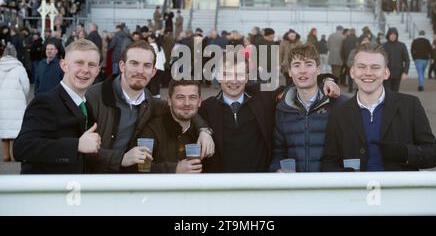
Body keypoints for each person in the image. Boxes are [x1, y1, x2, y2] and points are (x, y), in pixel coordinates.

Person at [199, 50, 340, 173]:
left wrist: (326, 79)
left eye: (240, 74)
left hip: (260, 184)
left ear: (247, 77)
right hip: (222, 186)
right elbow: (186, 116)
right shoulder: (207, 107)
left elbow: (299, 82)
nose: (234, 80)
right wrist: (203, 129)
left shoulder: (263, 97)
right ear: (217, 76)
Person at [85, 40, 214, 173]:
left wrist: (204, 130)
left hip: (127, 180)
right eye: (134, 63)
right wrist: (121, 158)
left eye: (146, 66)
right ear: (122, 66)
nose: (140, 71)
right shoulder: (93, 97)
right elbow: (79, 148)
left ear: (153, 72)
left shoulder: (149, 102)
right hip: (92, 179)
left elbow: (183, 107)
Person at [321, 43, 436, 172]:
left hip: (398, 190)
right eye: (362, 67)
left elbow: (433, 155)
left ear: (386, 73)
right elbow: (328, 162)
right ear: (352, 72)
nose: (368, 73)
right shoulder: (339, 113)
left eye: (375, 67)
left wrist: (404, 153)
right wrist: (349, 178)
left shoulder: (410, 105)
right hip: (358, 191)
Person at [13, 39, 102, 174]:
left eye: (92, 65)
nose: (85, 70)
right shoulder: (45, 102)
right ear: (64, 65)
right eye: (79, 63)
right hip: (47, 192)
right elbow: (22, 148)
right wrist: (76, 145)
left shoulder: (86, 104)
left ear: (97, 71)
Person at [269, 44, 347, 172]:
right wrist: (276, 169)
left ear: (318, 69)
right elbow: (279, 152)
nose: (302, 70)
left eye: (308, 64)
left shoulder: (338, 104)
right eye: (297, 65)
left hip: (330, 185)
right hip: (296, 187)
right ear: (289, 71)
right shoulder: (283, 109)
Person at [139, 80, 203, 173]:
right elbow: (140, 169)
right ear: (169, 101)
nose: (187, 103)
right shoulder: (152, 130)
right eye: (180, 97)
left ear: (199, 101)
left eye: (193, 97)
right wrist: (174, 169)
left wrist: (206, 132)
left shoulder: (202, 134)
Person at [0, 44, 30, 162]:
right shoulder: (19, 68)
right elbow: (26, 86)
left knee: (4, 129)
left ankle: (5, 155)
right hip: (16, 101)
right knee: (16, 130)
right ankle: (15, 154)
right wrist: (24, 97)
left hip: (2, 102)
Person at [383, 27, 410, 92]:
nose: (393, 36)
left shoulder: (401, 45)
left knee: (395, 92)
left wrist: (405, 72)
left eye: (394, 34)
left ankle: (394, 102)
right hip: (385, 73)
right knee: (387, 92)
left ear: (397, 35)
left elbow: (407, 60)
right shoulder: (383, 46)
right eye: (391, 34)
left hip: (398, 73)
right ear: (388, 35)